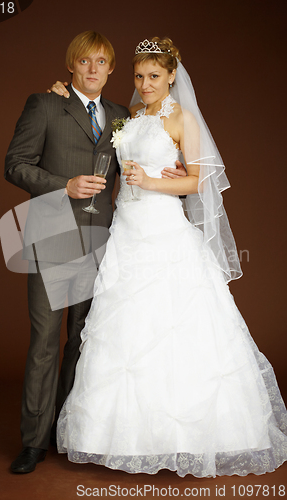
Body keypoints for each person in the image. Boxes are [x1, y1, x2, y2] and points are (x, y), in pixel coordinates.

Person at [55, 37, 287, 477]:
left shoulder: (182, 118)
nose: (145, 84)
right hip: (126, 231)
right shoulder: (130, 117)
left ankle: (184, 438)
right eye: (139, 76)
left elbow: (199, 181)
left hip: (163, 231)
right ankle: (122, 436)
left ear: (172, 76)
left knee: (175, 322)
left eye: (154, 76)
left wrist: (149, 182)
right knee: (125, 326)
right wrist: (60, 90)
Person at [5, 30, 187, 475]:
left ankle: (64, 430)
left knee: (82, 340)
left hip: (105, 243)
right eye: (84, 62)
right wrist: (62, 185)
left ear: (109, 69)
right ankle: (33, 442)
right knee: (45, 342)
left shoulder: (125, 116)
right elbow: (15, 164)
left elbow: (148, 162)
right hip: (51, 239)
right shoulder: (46, 104)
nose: (92, 70)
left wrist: (175, 172)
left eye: (101, 62)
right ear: (71, 66)